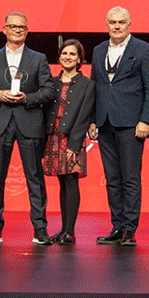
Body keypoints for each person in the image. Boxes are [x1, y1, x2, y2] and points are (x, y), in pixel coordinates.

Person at [0, 12, 56, 245]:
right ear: (4, 29)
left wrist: (27, 98)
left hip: (29, 121)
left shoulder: (38, 58)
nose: (17, 30)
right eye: (13, 26)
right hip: (0, 121)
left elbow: (49, 91)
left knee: (35, 177)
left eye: (21, 27)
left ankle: (40, 228)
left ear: (27, 31)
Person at [90, 6, 149, 246]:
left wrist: (146, 120)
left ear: (129, 25)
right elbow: (95, 86)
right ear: (107, 25)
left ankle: (129, 229)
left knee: (130, 178)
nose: (117, 26)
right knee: (112, 179)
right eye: (113, 22)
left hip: (132, 124)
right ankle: (117, 227)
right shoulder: (99, 50)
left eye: (121, 22)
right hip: (104, 122)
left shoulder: (143, 49)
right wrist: (92, 119)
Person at [42, 40, 96, 244]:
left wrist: (74, 144)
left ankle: (70, 231)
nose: (68, 57)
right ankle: (63, 229)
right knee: (62, 182)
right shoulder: (52, 82)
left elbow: (84, 116)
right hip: (53, 136)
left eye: (72, 54)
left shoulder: (87, 84)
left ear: (80, 59)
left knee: (71, 180)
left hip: (72, 138)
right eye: (64, 53)